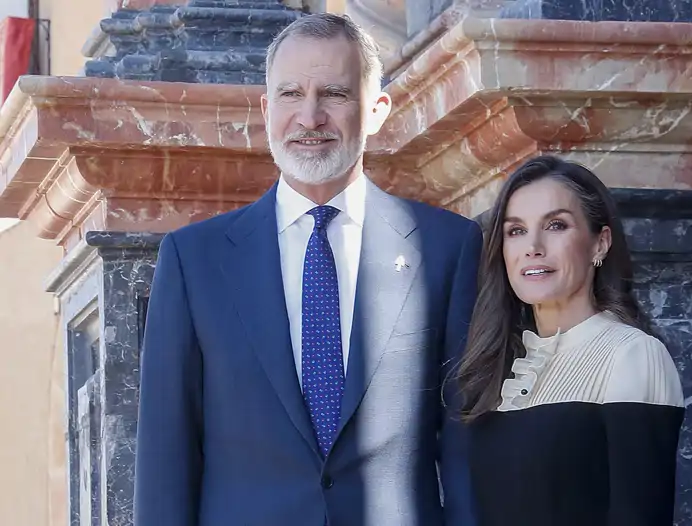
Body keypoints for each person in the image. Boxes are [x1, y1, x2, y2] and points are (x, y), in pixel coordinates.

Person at [133, 13, 481, 526]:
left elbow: (465, 446)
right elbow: (166, 453)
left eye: (335, 94)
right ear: (266, 108)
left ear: (377, 110)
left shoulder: (446, 247)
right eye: (291, 93)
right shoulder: (195, 260)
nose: (310, 116)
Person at [458, 155, 685, 526]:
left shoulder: (632, 354)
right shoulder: (497, 363)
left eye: (556, 225)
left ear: (600, 244)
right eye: (515, 231)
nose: (533, 246)